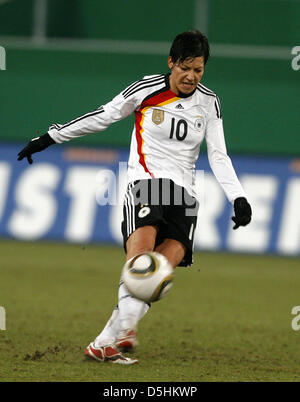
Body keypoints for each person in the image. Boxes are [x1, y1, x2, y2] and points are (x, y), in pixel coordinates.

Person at [17, 30, 252, 365]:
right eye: (185, 67)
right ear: (171, 63)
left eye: (198, 70)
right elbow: (103, 116)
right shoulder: (146, 89)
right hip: (147, 183)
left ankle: (105, 341)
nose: (191, 76)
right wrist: (50, 137)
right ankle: (123, 331)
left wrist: (238, 197)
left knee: (160, 270)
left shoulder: (209, 103)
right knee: (142, 260)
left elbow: (218, 155)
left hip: (185, 196)